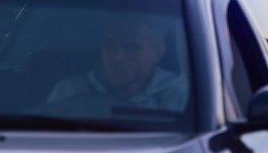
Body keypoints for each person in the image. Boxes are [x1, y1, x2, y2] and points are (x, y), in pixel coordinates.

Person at [47, 14, 188, 112]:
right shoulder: (69, 91)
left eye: (131, 48)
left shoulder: (180, 98)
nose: (117, 57)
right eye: (110, 45)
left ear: (158, 52)